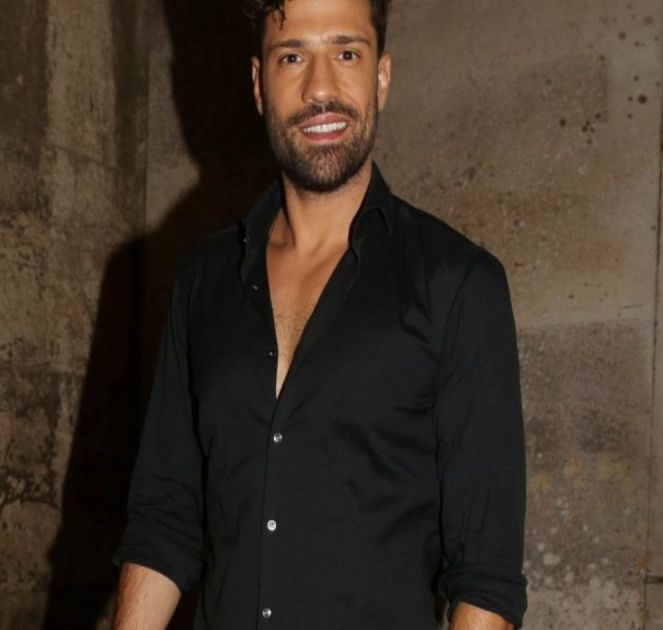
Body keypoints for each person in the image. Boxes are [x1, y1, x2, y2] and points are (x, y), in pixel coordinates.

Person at [111, 0, 527, 627]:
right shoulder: (204, 280)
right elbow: (162, 522)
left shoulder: (459, 285)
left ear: (381, 76)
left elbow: (485, 579)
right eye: (293, 57)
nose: (320, 89)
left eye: (346, 53)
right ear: (259, 84)